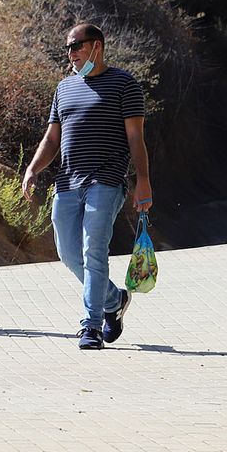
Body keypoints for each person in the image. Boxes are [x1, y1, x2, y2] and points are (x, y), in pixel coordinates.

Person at [20, 22, 153, 350]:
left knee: (94, 248)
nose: (71, 53)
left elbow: (136, 137)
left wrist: (143, 182)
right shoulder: (64, 88)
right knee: (68, 253)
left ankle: (90, 326)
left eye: (77, 46)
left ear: (97, 47)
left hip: (106, 181)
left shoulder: (124, 84)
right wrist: (33, 169)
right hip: (67, 182)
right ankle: (113, 299)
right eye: (68, 47)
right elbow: (52, 137)